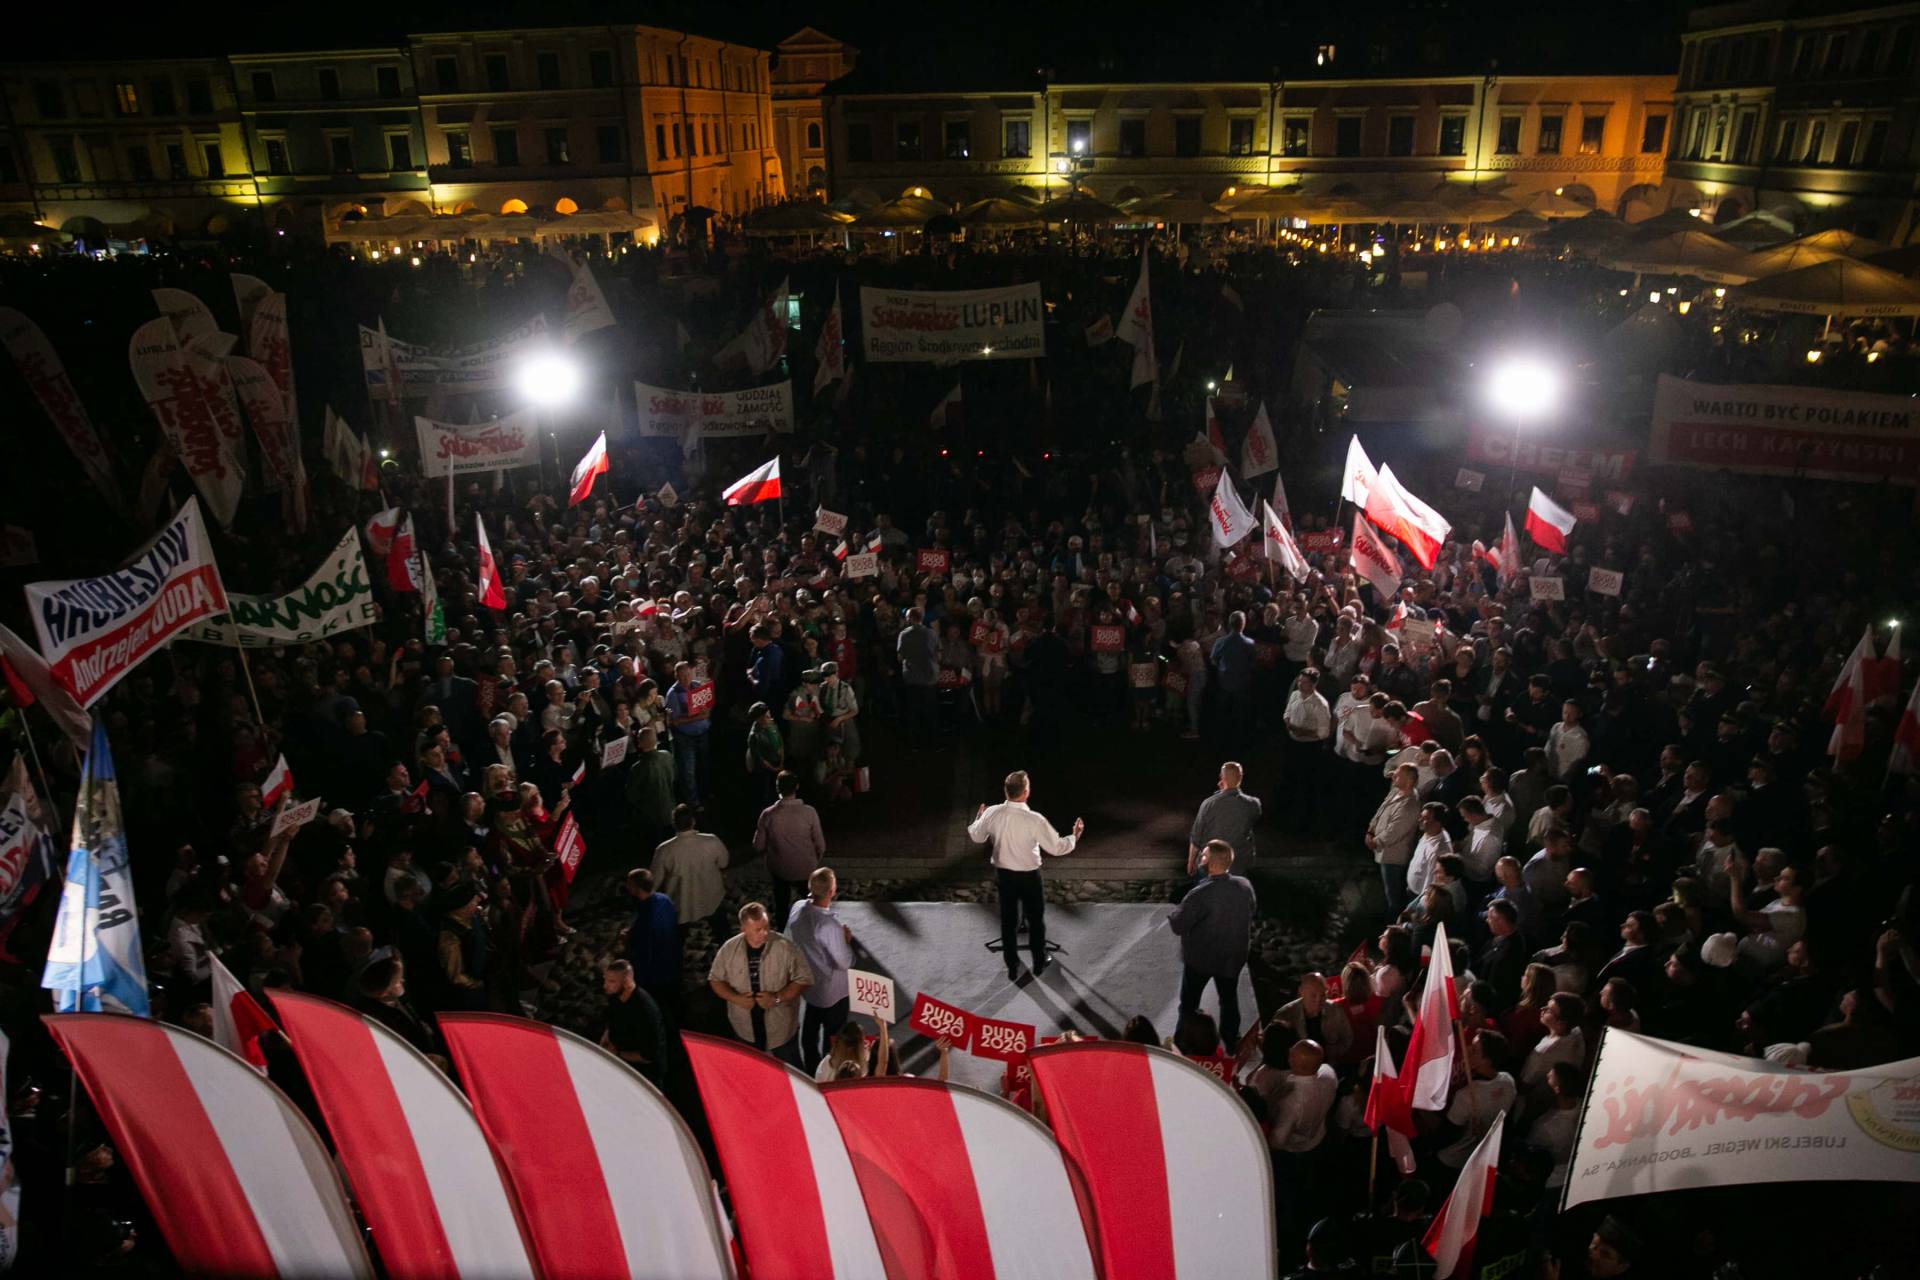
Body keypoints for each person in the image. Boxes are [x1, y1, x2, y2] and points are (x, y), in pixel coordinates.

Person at [968, 770, 1083, 980]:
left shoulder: (992, 812)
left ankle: (1012, 966)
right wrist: (1074, 837)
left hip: (1004, 875)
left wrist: (978, 818)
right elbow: (1057, 848)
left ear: (1007, 791)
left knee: (1008, 921)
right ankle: (1039, 962)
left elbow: (976, 836)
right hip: (1029, 876)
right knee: (1036, 920)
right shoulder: (1035, 820)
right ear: (1026, 792)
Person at [1168, 839, 1257, 1050]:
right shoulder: (1244, 885)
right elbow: (1252, 910)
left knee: (1189, 1004)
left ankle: (1182, 1042)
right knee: (1228, 1000)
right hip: (1232, 958)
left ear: (1213, 863)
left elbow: (1178, 925)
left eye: (1204, 855)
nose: (1201, 858)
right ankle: (1232, 1042)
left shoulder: (1200, 894)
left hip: (1201, 959)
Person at [707, 902, 813, 1065]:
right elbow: (715, 980)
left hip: (781, 1029)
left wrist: (777, 998)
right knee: (750, 1071)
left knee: (792, 1070)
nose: (764, 933)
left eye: (766, 927)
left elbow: (803, 979)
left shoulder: (786, 947)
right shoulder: (729, 950)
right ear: (743, 929)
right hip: (745, 1028)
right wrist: (736, 998)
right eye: (758, 930)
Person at [787, 867, 854, 1074]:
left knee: (809, 1032)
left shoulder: (797, 908)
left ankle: (810, 1068)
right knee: (833, 1036)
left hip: (810, 985)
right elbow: (844, 962)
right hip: (832, 990)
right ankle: (829, 1073)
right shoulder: (829, 925)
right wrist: (846, 941)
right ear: (832, 891)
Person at [754, 771, 827, 926]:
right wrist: (814, 861)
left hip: (780, 868)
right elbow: (821, 844)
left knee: (781, 902)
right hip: (806, 867)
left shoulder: (768, 814)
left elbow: (758, 845)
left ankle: (782, 929)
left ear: (777, 788)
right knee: (810, 901)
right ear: (797, 787)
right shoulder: (809, 812)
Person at [651, 804, 729, 931]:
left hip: (681, 903)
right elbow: (724, 863)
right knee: (722, 928)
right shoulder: (711, 841)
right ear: (693, 821)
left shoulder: (664, 849)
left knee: (677, 937)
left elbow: (653, 882)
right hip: (711, 897)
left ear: (674, 823)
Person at [620, 867, 681, 1018]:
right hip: (672, 957)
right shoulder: (664, 899)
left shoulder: (647, 919)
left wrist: (628, 939)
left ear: (636, 887)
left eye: (629, 884)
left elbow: (643, 949)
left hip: (655, 969)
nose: (627, 887)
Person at [1188, 760, 1263, 875]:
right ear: (1241, 777)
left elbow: (1196, 836)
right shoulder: (1253, 804)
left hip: (1211, 865)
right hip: (1239, 863)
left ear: (1221, 777)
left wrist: (1191, 861)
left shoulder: (1209, 803)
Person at [601, 959, 668, 1086]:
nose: (605, 985)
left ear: (626, 982)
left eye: (611, 981)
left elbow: (649, 1056)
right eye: (605, 980)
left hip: (644, 1076)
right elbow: (612, 1018)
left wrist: (617, 1054)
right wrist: (607, 1035)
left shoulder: (645, 1010)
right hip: (620, 1063)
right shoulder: (616, 996)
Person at [1367, 763, 1421, 916]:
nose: (1393, 776)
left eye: (1398, 775)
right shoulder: (1395, 792)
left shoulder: (1410, 804)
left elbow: (1395, 831)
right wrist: (1370, 830)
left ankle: (1394, 922)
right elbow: (1381, 810)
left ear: (1409, 781)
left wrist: (1375, 841)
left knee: (1394, 895)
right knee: (1388, 889)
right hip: (1382, 851)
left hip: (1393, 857)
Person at [664, 661, 713, 808]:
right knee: (688, 771)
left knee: (704, 766)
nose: (686, 678)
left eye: (688, 674)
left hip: (703, 733)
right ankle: (693, 803)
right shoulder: (673, 694)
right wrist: (696, 717)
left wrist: (706, 711)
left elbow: (707, 705)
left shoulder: (697, 686)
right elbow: (674, 721)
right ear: (676, 676)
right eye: (682, 676)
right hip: (686, 738)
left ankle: (706, 793)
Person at [624, 728, 678, 847]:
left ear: (639, 743)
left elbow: (631, 796)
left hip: (650, 817)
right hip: (670, 810)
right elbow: (674, 777)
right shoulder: (667, 756)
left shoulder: (637, 768)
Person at [896, 607, 940, 741]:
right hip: (929, 677)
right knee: (931, 710)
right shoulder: (931, 633)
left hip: (912, 678)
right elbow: (938, 654)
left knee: (913, 711)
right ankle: (934, 740)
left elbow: (900, 657)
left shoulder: (904, 634)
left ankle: (915, 740)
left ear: (909, 618)